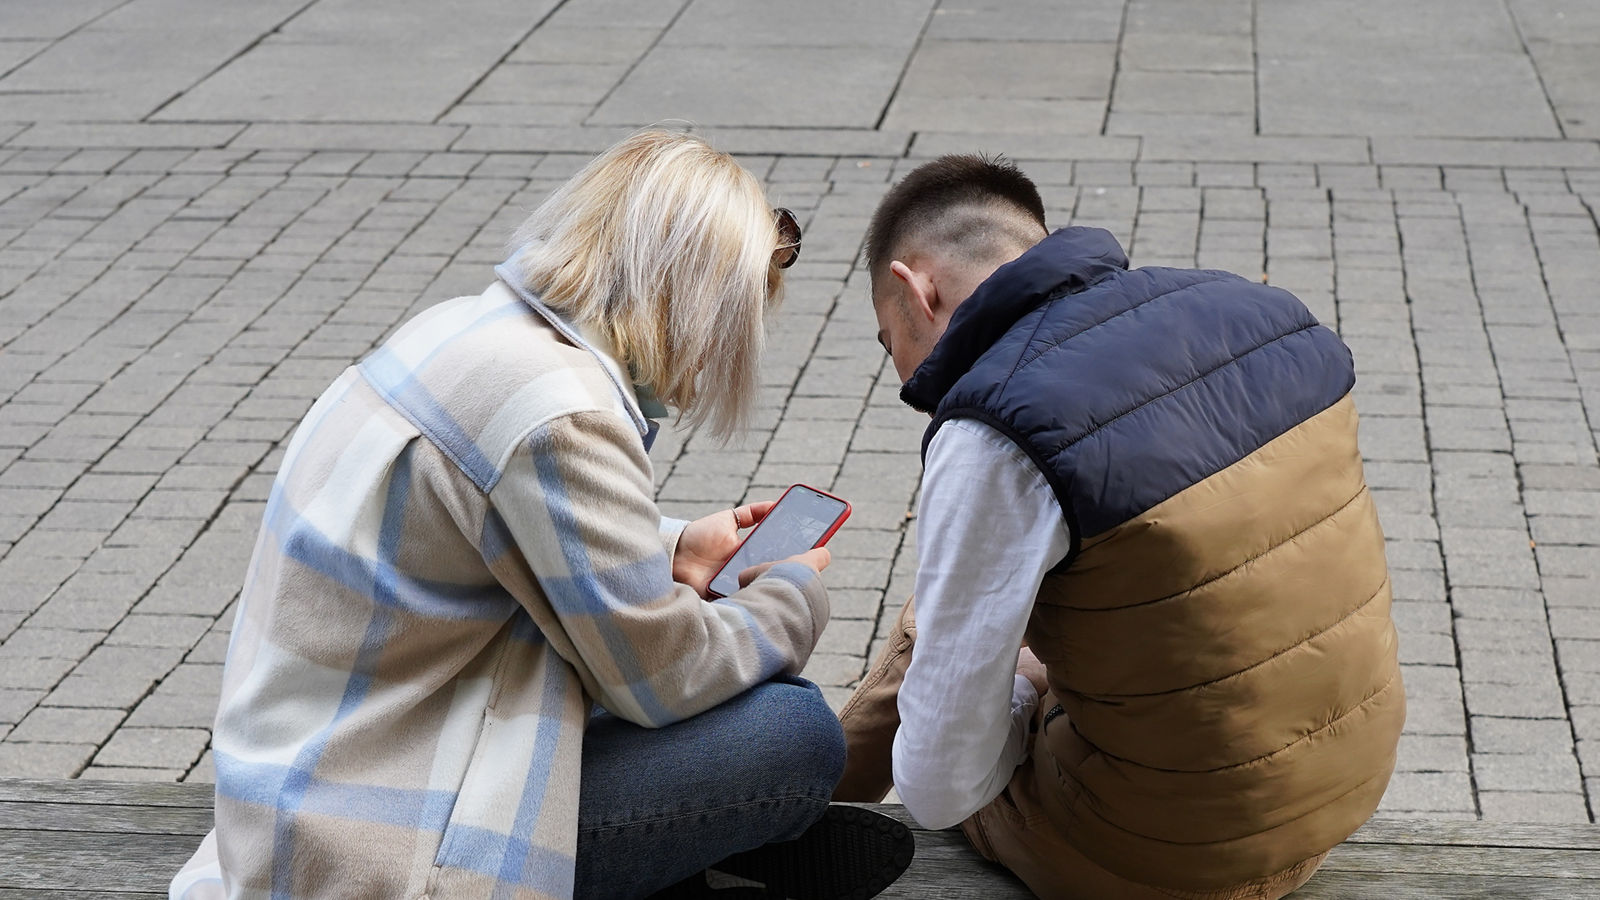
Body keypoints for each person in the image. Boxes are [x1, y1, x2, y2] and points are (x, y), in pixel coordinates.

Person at [169, 130, 912, 900]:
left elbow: (487, 522)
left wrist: (676, 545)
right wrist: (791, 595)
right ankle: (706, 851)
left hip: (309, 784)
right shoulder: (561, 416)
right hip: (381, 841)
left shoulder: (469, 332)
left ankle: (700, 858)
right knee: (790, 735)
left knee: (734, 723)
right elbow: (664, 677)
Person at [833, 155, 1404, 899]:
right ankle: (822, 792)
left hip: (1156, 853)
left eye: (892, 344)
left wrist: (1017, 684)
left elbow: (942, 788)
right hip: (1333, 799)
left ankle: (805, 805)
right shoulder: (1267, 313)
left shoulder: (995, 429)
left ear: (918, 291)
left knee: (934, 633)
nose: (909, 383)